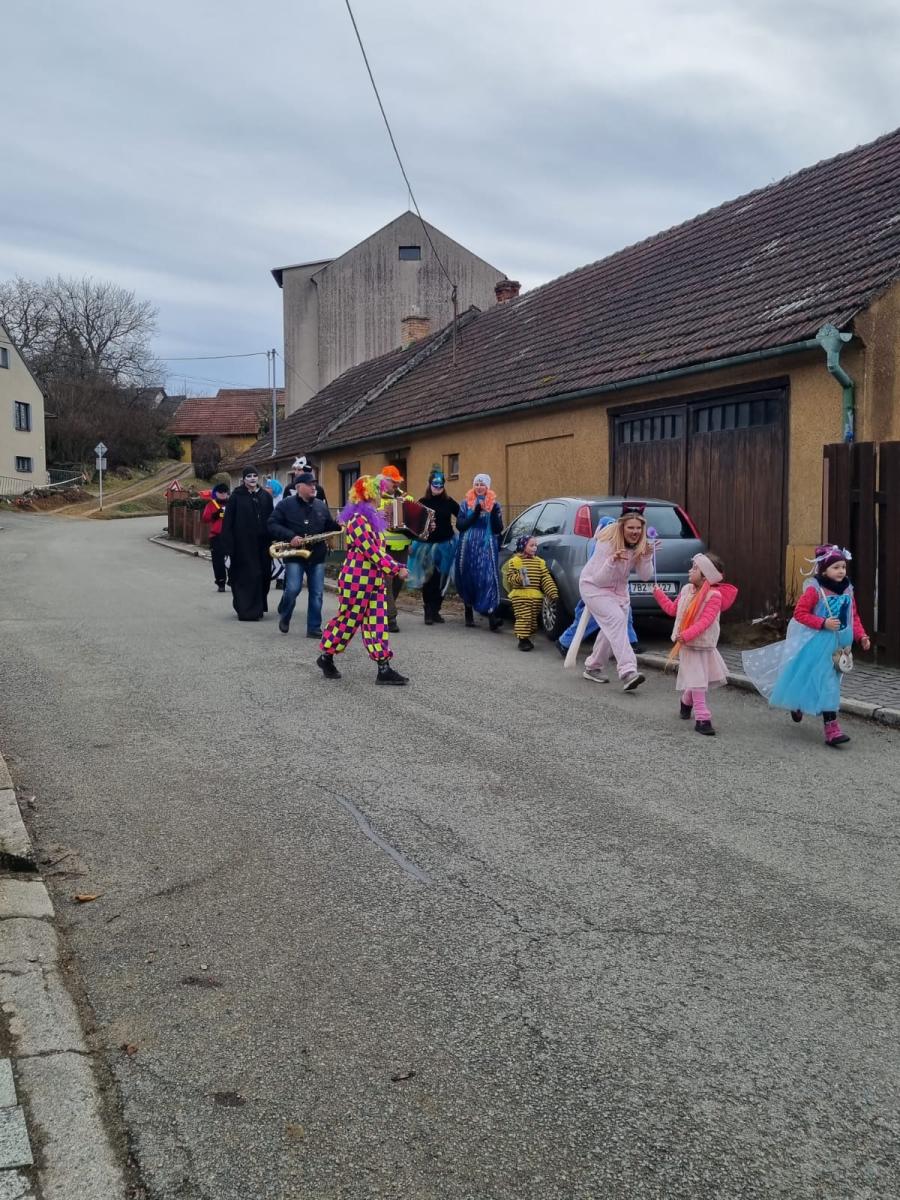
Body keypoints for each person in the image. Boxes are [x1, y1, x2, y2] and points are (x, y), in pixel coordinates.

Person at [742, 544, 871, 747]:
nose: (841, 571)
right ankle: (831, 729)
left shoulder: (847, 589)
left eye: (843, 567)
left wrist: (861, 635)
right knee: (826, 683)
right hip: (818, 643)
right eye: (836, 567)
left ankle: (799, 703)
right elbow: (800, 614)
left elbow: (853, 616)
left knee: (828, 682)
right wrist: (823, 623)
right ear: (824, 570)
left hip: (840, 646)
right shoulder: (815, 589)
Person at [317, 474, 410, 685]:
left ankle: (383, 669)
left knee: (378, 623)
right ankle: (326, 656)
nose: (381, 495)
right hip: (356, 580)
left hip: (375, 580)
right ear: (368, 494)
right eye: (378, 492)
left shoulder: (372, 518)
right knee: (348, 622)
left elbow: (380, 550)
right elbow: (372, 552)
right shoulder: (357, 520)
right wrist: (396, 568)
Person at [571, 503, 656, 690]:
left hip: (619, 592)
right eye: (631, 527)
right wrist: (612, 561)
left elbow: (645, 576)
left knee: (612, 629)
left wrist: (646, 557)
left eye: (638, 528)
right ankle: (628, 671)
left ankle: (593, 667)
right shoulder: (607, 543)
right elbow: (599, 579)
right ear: (622, 527)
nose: (635, 532)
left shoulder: (639, 545)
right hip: (594, 587)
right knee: (616, 620)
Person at [653, 552, 738, 736]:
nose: (690, 571)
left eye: (695, 568)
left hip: (704, 643)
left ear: (706, 575)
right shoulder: (686, 590)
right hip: (687, 645)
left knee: (698, 679)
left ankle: (686, 701)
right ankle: (702, 717)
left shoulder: (714, 596)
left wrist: (686, 634)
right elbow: (672, 610)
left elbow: (705, 621)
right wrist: (659, 595)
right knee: (698, 679)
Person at [267, 471, 341, 638]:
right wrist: (290, 536)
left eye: (314, 484)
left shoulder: (320, 505)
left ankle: (314, 628)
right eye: (310, 485)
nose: (314, 487)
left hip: (317, 554)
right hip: (295, 554)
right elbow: (272, 524)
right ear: (299, 487)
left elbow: (328, 525)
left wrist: (339, 524)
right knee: (293, 589)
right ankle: (285, 615)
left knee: (317, 593)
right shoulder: (285, 504)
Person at [556, 516, 641, 656]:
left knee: (624, 615)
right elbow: (595, 568)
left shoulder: (621, 543)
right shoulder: (601, 543)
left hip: (615, 591)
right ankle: (565, 642)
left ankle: (631, 642)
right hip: (598, 590)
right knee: (590, 619)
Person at [219, 466, 274, 621]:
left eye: (254, 476)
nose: (252, 478)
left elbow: (272, 519)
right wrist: (228, 546)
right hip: (243, 545)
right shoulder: (236, 497)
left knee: (263, 575)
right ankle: (246, 610)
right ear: (243, 479)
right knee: (247, 576)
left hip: (263, 544)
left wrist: (274, 537)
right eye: (248, 476)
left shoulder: (265, 496)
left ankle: (258, 607)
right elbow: (228, 522)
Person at [406, 467, 459, 625]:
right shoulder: (423, 502)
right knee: (428, 580)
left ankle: (436, 610)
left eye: (440, 484)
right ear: (429, 485)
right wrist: (410, 543)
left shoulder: (449, 502)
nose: (438, 487)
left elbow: (462, 516)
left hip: (446, 545)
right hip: (426, 547)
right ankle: (428, 611)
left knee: (442, 579)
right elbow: (413, 525)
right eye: (435, 484)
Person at [455, 472, 503, 630]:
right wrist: (475, 513)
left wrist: (493, 513)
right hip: (468, 546)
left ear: (487, 486)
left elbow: (498, 528)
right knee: (468, 577)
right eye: (477, 484)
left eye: (482, 484)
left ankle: (492, 616)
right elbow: (460, 525)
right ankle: (468, 611)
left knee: (488, 578)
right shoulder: (465, 504)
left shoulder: (495, 504)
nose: (479, 487)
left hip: (486, 546)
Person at [501, 535, 559, 651]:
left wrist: (552, 592)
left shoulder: (539, 562)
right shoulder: (515, 561)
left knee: (532, 620)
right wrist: (519, 578)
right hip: (520, 595)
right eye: (531, 545)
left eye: (535, 545)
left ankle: (527, 637)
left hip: (535, 596)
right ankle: (523, 640)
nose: (535, 548)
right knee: (524, 617)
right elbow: (510, 577)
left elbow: (545, 578)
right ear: (523, 547)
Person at [377, 465, 413, 632]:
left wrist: (414, 539)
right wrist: (379, 514)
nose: (396, 484)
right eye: (393, 481)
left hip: (403, 547)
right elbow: (367, 515)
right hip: (384, 548)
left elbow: (415, 522)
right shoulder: (376, 498)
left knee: (398, 582)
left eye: (398, 481)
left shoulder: (407, 498)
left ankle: (385, 610)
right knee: (387, 582)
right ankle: (391, 618)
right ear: (384, 481)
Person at [200, 481, 230, 592]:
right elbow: (205, 518)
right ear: (216, 493)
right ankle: (221, 582)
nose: (222, 494)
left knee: (232, 559)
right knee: (218, 561)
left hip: (230, 535)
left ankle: (232, 579)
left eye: (224, 492)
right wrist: (215, 515)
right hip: (216, 536)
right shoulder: (211, 504)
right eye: (220, 492)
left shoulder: (232, 503)